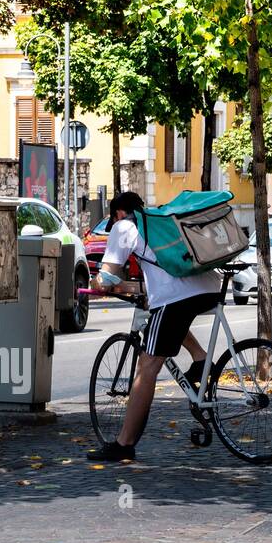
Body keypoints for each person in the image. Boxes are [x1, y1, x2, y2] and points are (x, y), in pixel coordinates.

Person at [87, 191, 220, 462]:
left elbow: (108, 274)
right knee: (168, 320)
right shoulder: (159, 222)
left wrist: (98, 284)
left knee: (146, 367)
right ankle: (201, 358)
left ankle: (124, 444)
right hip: (209, 287)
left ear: (119, 214)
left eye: (115, 218)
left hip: (177, 298)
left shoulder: (125, 225)